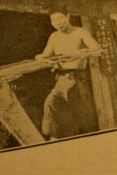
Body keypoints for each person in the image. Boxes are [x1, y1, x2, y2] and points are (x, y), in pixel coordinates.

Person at [35, 11, 101, 140]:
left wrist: (82, 52)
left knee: (78, 111)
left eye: (60, 18)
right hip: (61, 79)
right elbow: (45, 55)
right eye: (54, 20)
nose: (58, 22)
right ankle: (54, 138)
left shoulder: (80, 32)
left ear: (68, 16)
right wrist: (40, 58)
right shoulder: (54, 36)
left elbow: (96, 49)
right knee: (51, 103)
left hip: (78, 77)